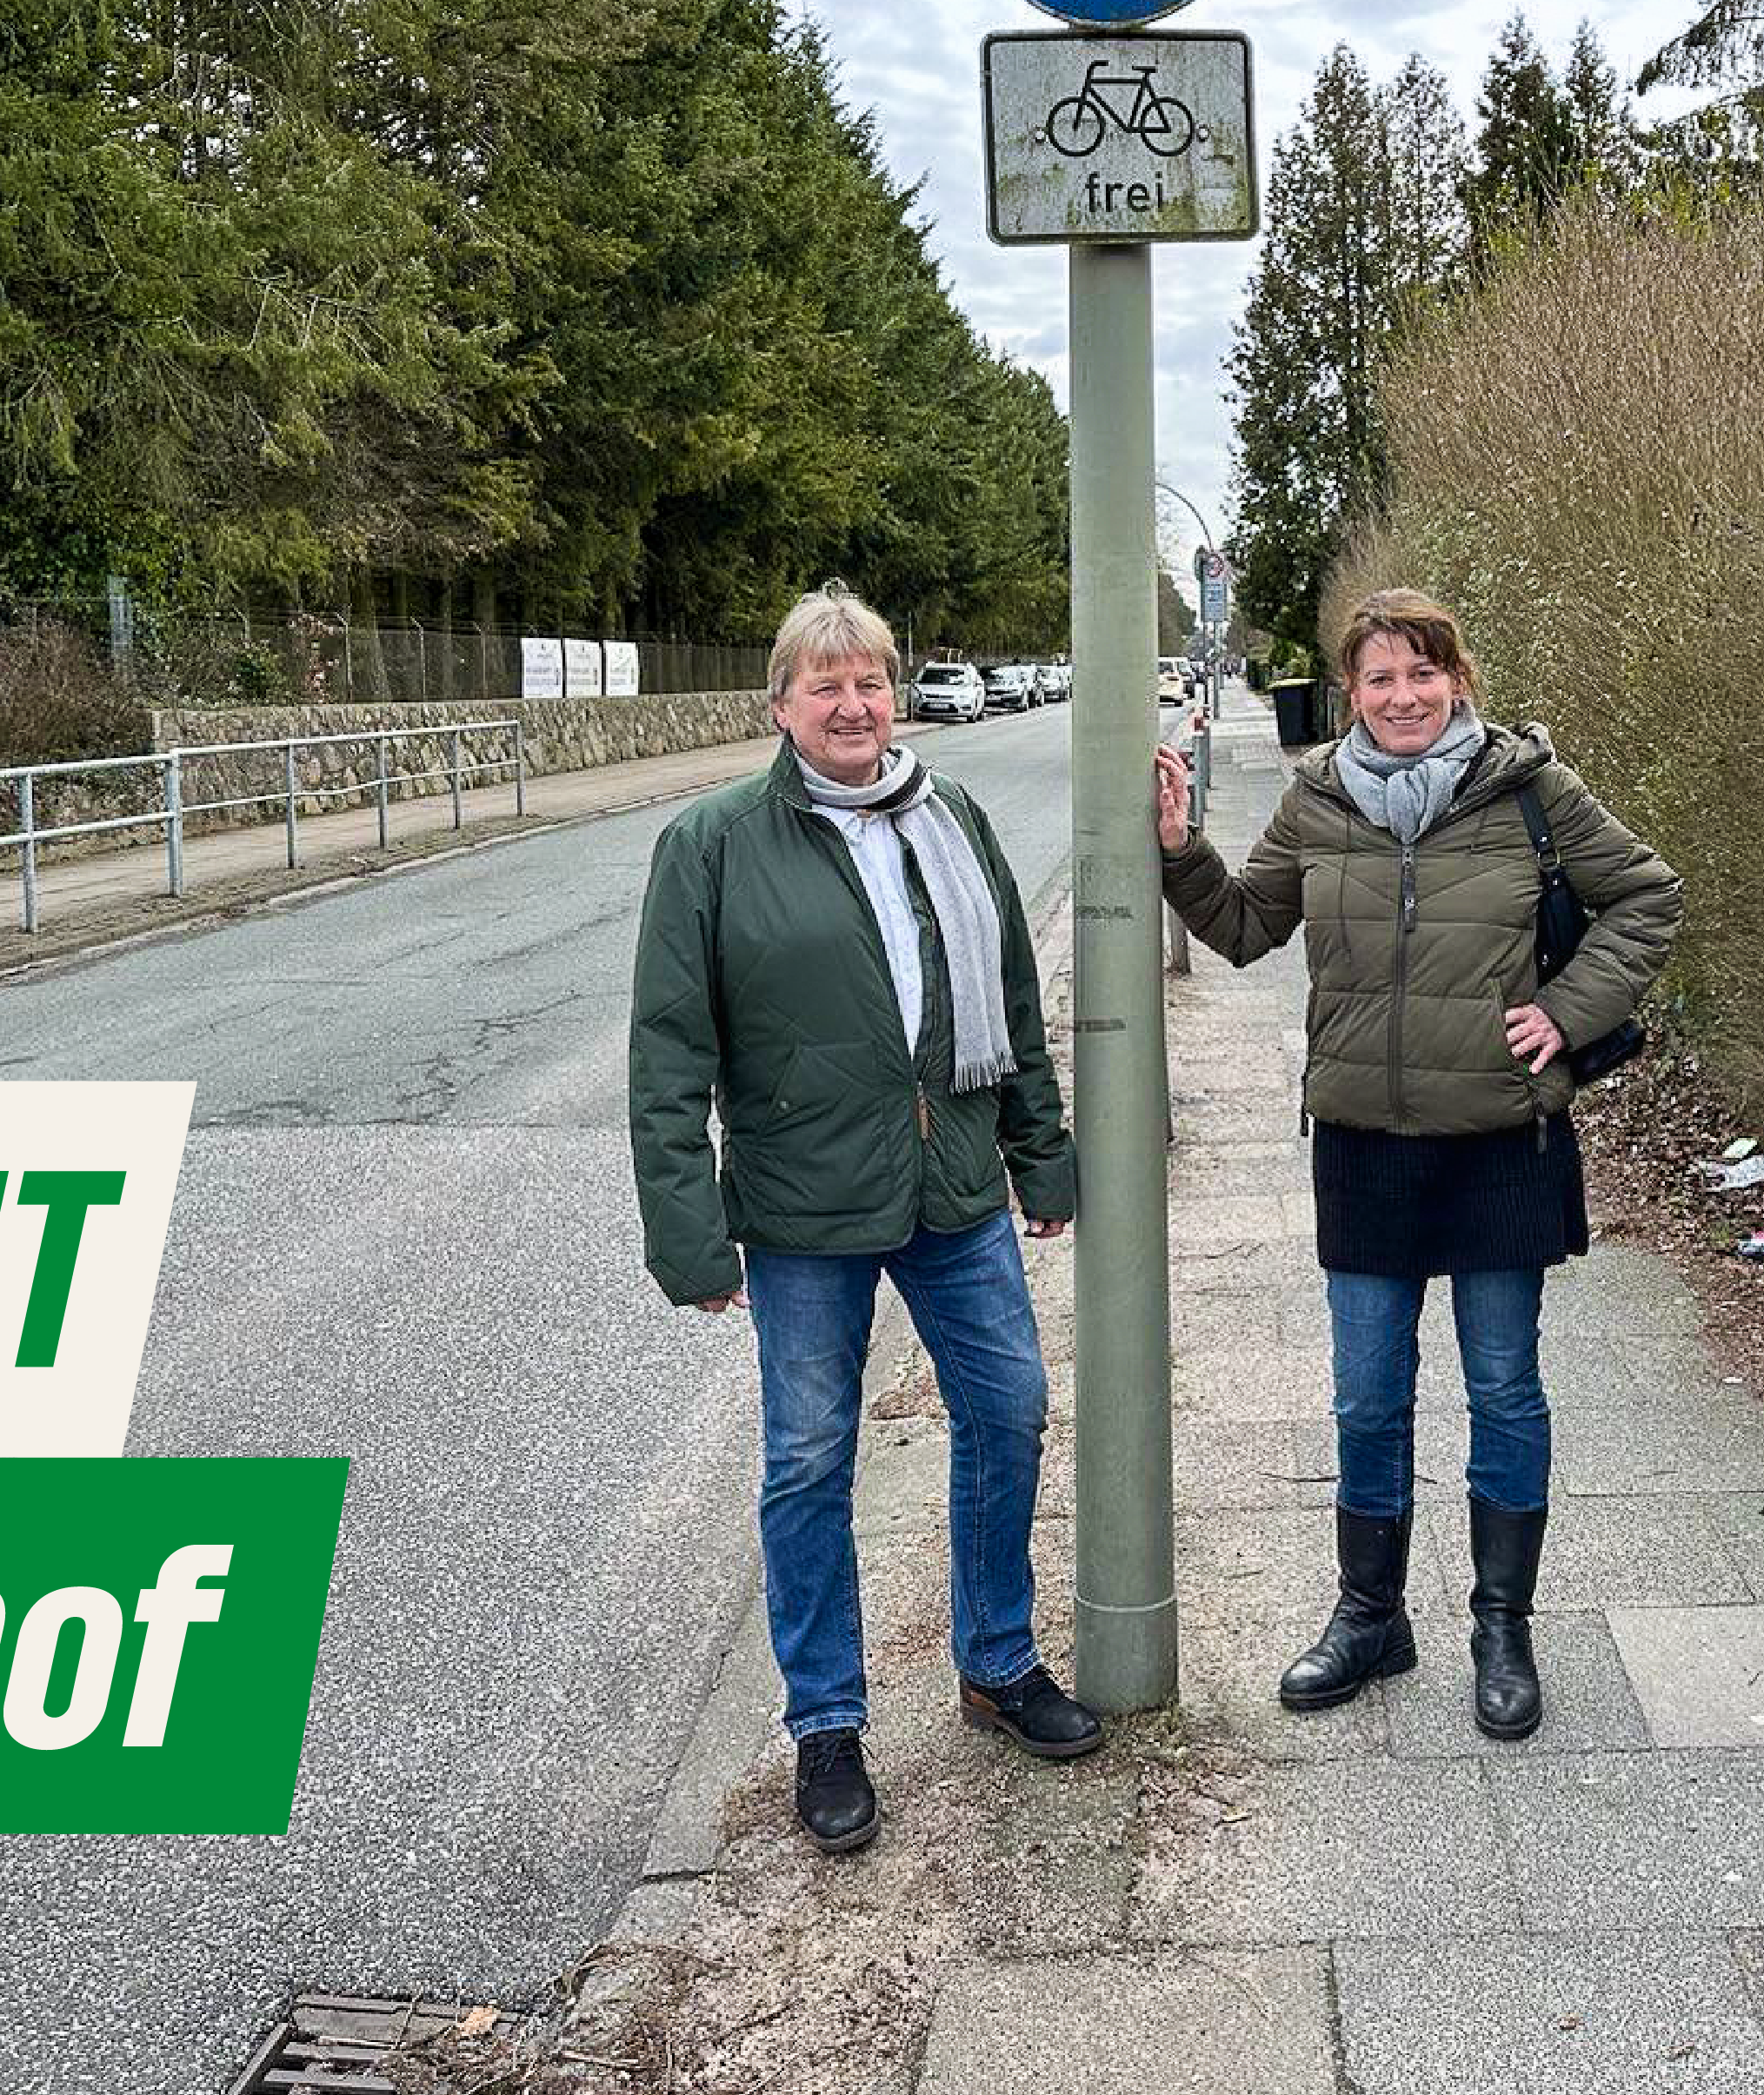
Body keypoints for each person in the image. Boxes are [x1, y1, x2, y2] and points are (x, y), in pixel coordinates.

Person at [1150, 589, 1681, 1739]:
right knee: (1365, 1394)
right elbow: (1243, 928)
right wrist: (1179, 849)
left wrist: (1565, 1007)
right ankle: (1370, 1615)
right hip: (1363, 1143)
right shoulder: (1318, 797)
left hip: (1500, 1141)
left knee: (1501, 1387)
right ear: (1351, 692)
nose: (1400, 696)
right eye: (1378, 678)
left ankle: (1502, 1625)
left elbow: (1646, 895)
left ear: (1457, 679)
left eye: (1420, 673)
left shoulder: (1525, 787)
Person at [631, 587, 1097, 1856]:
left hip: (950, 1187)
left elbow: (1007, 990)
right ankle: (826, 1721)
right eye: (823, 685)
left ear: (895, 692)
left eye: (871, 681)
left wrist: (1039, 1157)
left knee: (1008, 1408)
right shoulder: (713, 844)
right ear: (779, 704)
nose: (851, 705)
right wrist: (687, 1230)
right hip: (797, 1210)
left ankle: (996, 1661)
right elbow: (668, 1053)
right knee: (806, 1461)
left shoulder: (952, 819)